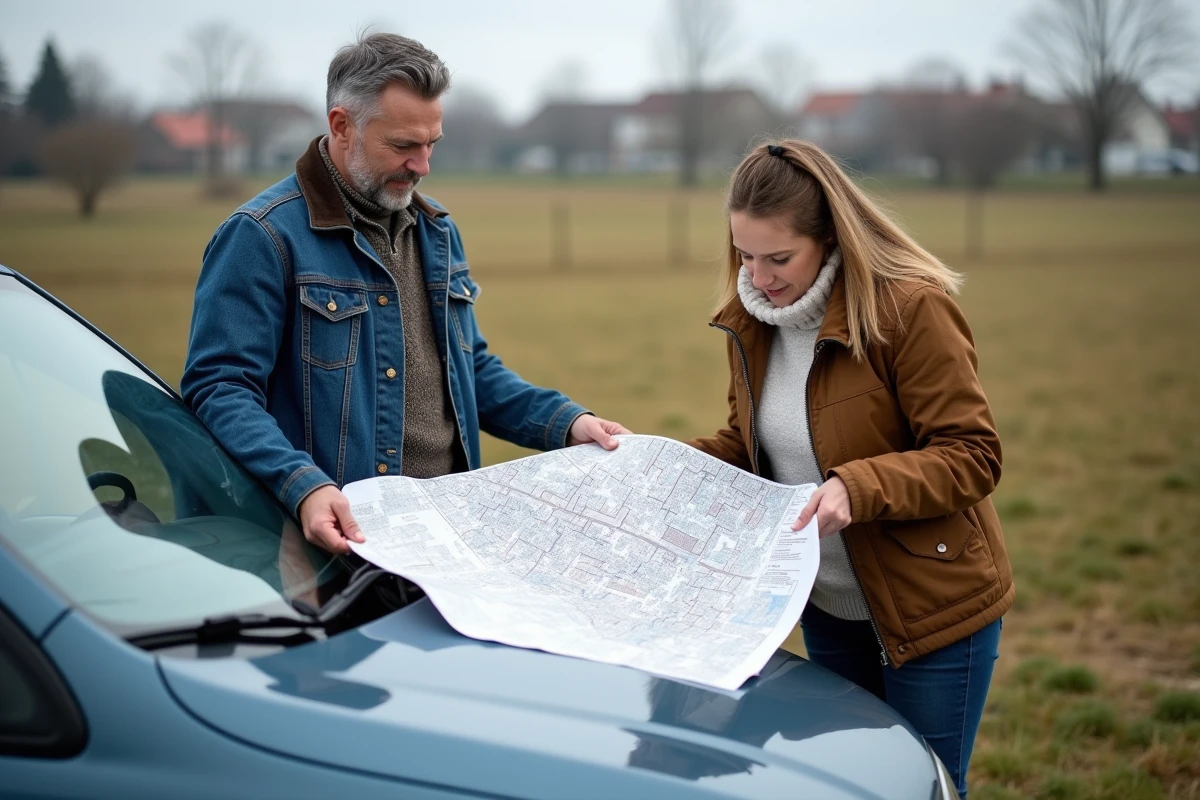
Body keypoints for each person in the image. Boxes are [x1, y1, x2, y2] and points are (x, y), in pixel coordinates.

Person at [181, 33, 627, 555]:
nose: (423, 165)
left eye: (431, 143)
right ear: (342, 126)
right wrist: (302, 485)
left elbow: (468, 369)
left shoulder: (437, 231)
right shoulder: (261, 237)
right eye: (403, 146)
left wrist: (567, 422)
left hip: (443, 538)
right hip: (327, 548)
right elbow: (220, 388)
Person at [688, 140, 1013, 798]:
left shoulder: (910, 310)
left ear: (830, 237)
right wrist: (660, 467)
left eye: (779, 258)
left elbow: (971, 454)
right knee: (852, 787)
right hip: (828, 606)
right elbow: (754, 446)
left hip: (932, 609)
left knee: (924, 788)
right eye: (744, 255)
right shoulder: (753, 322)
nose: (759, 275)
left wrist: (855, 488)